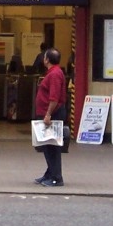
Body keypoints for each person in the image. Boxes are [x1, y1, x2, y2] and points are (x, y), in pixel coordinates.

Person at [33, 47, 67, 187]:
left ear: (47, 59)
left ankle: (56, 178)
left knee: (52, 147)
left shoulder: (54, 74)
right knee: (47, 145)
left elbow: (54, 97)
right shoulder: (53, 72)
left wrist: (48, 114)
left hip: (52, 113)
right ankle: (50, 173)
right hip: (49, 112)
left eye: (44, 57)